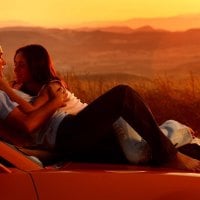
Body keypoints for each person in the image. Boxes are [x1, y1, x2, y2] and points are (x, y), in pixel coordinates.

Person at [1, 44, 200, 172]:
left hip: (71, 128)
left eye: (20, 65)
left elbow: (30, 113)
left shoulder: (46, 86)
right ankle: (174, 141)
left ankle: (174, 143)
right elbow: (28, 122)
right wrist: (8, 88)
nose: (7, 64)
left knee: (137, 149)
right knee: (136, 147)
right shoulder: (11, 91)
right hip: (65, 134)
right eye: (4, 58)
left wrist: (8, 87)